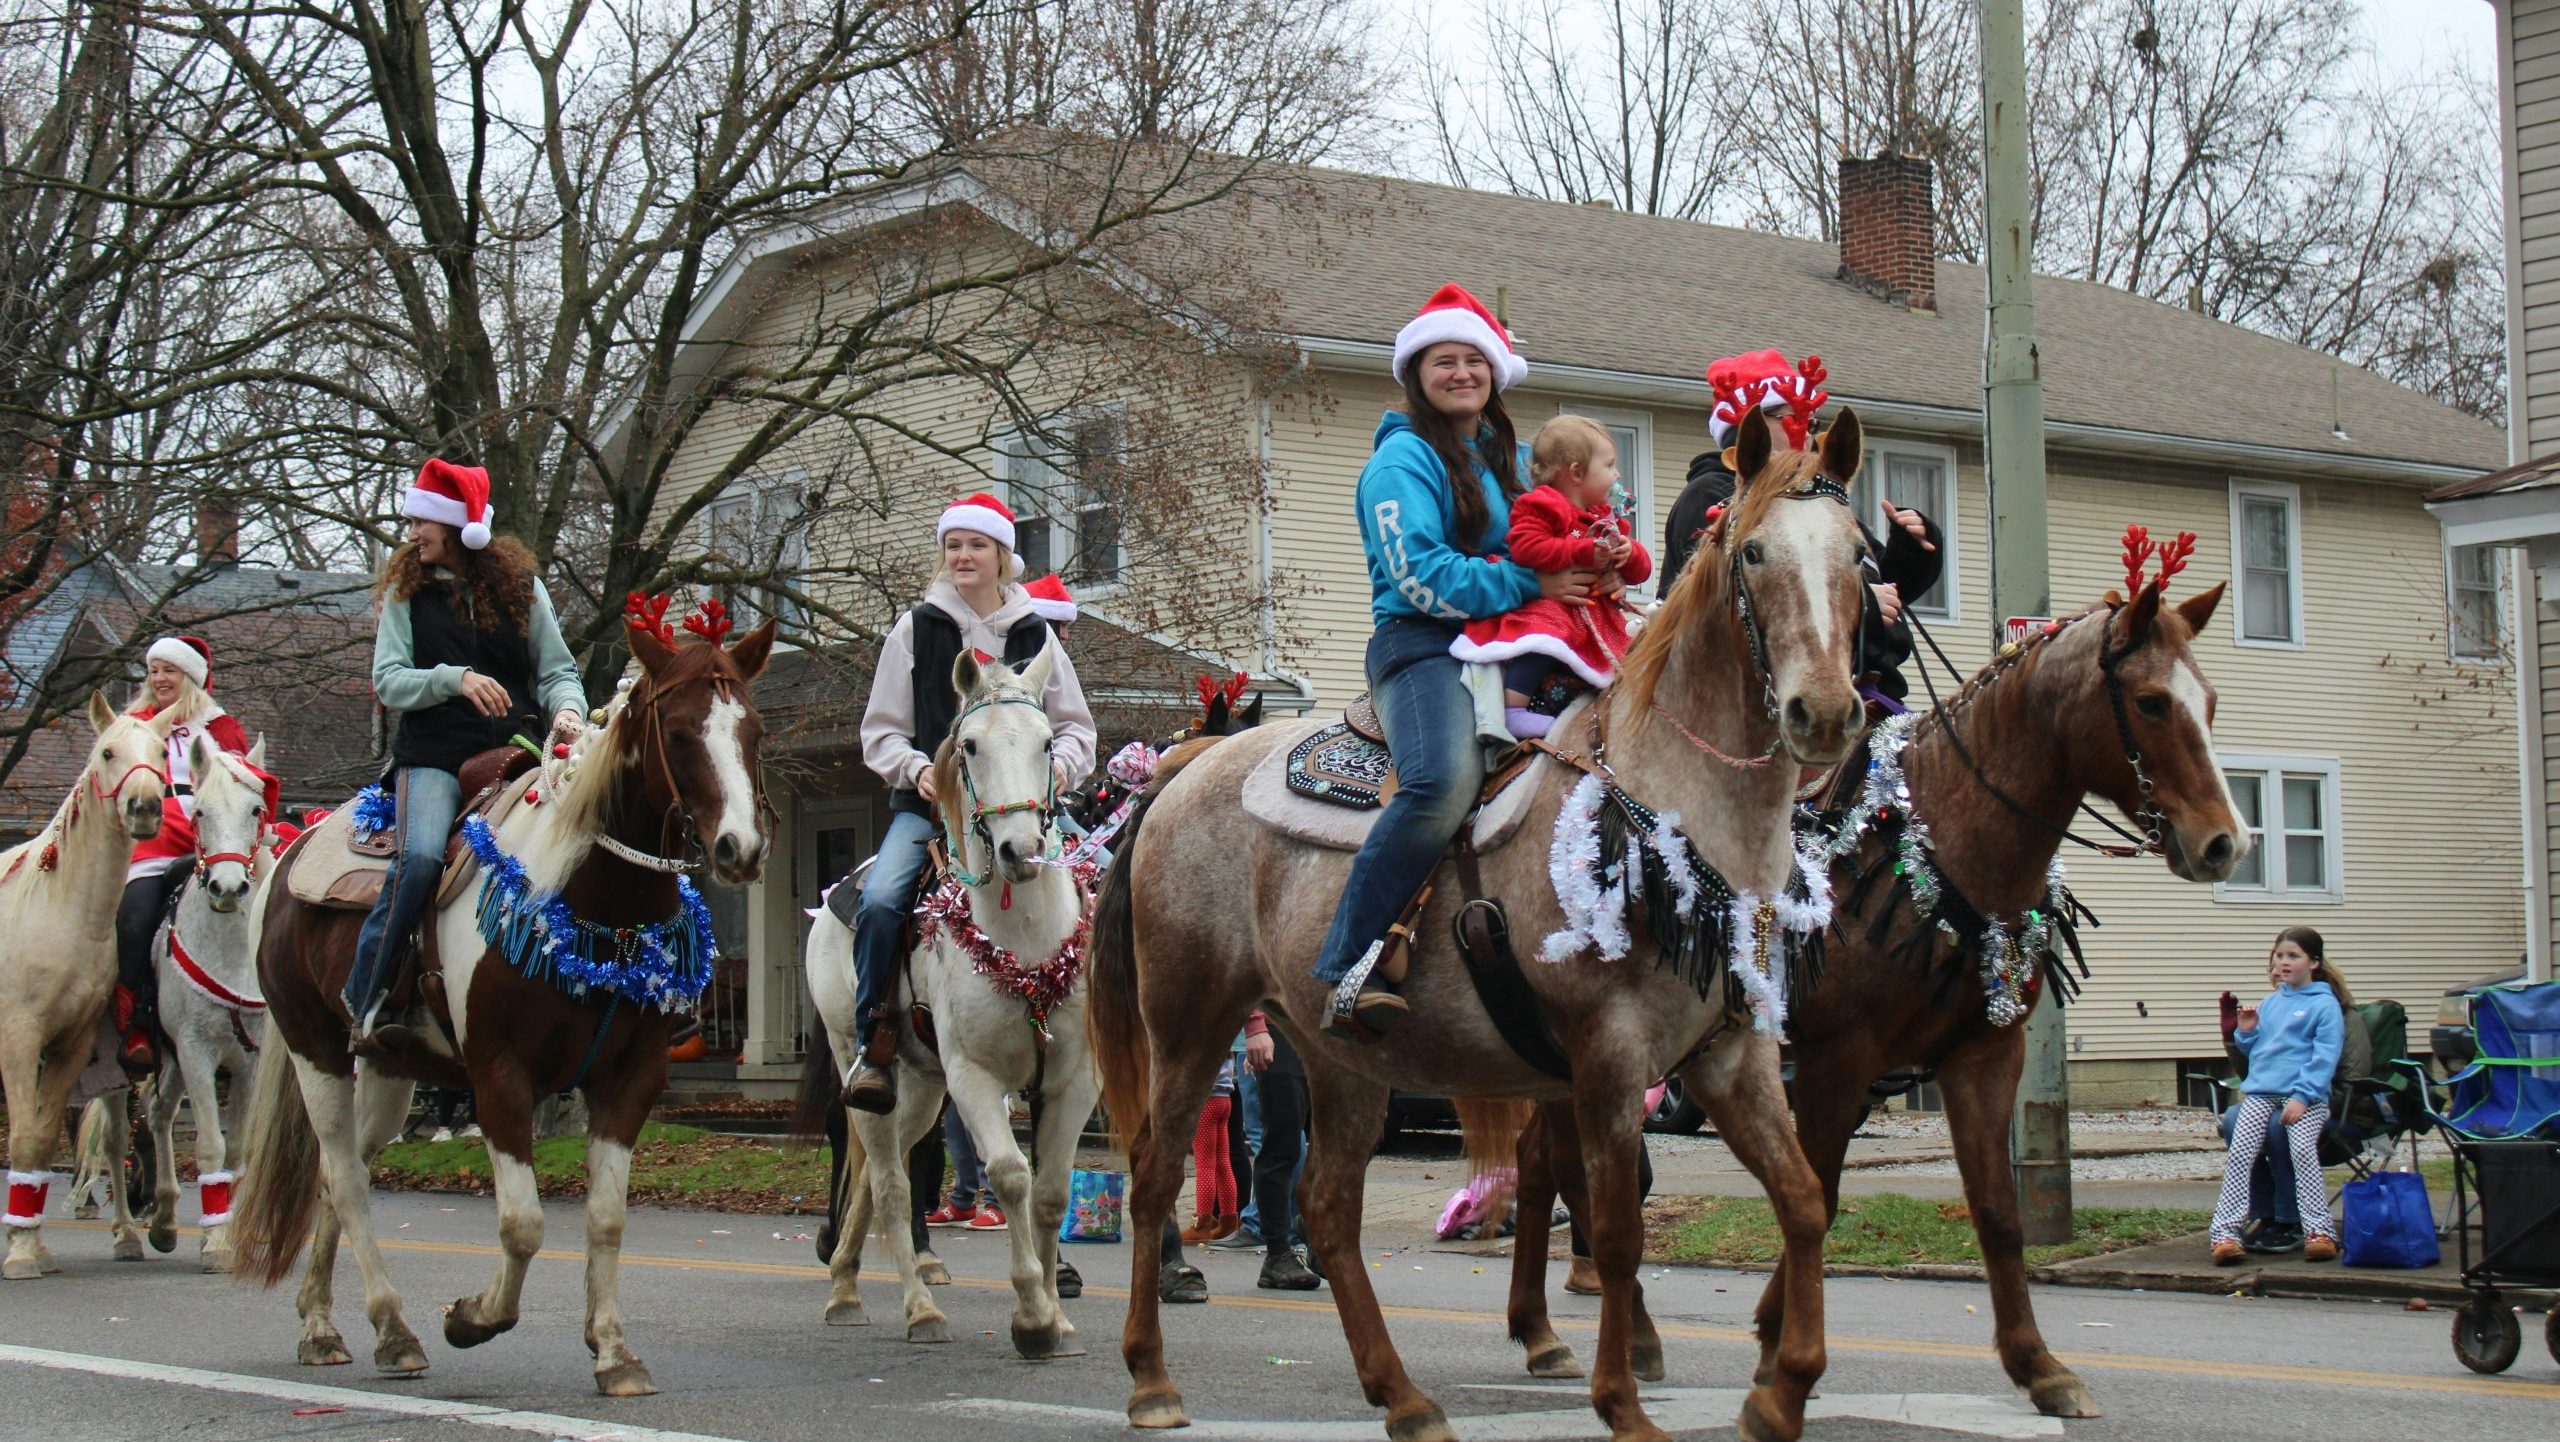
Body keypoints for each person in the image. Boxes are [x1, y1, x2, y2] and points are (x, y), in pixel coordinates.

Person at [1315, 284, 1600, 1035]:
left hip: (1513, 641)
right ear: (1417, 372)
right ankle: (1352, 960)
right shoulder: (1400, 461)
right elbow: (1420, 575)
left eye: (1475, 359)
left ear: (1496, 373)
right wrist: (1530, 580)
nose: (1461, 372)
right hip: (1423, 645)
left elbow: (1543, 540)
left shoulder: (1503, 459)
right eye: (1445, 360)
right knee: (1442, 782)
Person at [842, 494, 1097, 1113]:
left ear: (1002, 556)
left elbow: (1076, 729)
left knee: (1114, 883)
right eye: (953, 546)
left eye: (976, 545)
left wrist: (1060, 769)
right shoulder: (916, 628)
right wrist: (917, 768)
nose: (962, 556)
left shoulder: (1037, 632)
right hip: (930, 812)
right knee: (879, 902)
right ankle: (874, 1040)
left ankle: (1114, 1027)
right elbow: (880, 730)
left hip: (1029, 810)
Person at [348, 458, 587, 1050]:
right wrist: (453, 679)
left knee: (574, 847)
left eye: (421, 522)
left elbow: (558, 671)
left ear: (456, 528)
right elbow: (389, 680)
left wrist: (567, 712)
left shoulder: (523, 592)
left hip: (514, 753)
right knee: (424, 858)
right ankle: (367, 1000)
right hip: (431, 757)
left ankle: (595, 993)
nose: (411, 533)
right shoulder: (407, 595)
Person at [1657, 349, 1941, 709]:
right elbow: (1728, 595)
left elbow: (1890, 588)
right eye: (1794, 417)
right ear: (1752, 427)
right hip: (1756, 704)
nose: (1808, 430)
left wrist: (1912, 548)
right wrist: (1861, 601)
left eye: (1812, 422)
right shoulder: (1710, 495)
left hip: (1868, 692)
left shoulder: (1816, 499)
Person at [1450, 416, 1652, 739]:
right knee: (1544, 634)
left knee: (1629, 651)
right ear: (1575, 472)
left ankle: (1608, 711)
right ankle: (1514, 707)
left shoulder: (1604, 515)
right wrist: (1579, 552)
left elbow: (1641, 571)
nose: (1616, 475)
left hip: (1592, 611)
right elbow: (1526, 547)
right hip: (1553, 603)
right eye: (1610, 465)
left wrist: (1629, 554)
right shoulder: (1542, 505)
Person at [114, 635, 253, 1074]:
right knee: (135, 918)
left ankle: (261, 1010)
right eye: (153, 670)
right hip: (151, 834)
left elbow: (244, 785)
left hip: (210, 837)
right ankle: (135, 1019)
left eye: (168, 671)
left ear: (190, 677)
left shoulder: (220, 726)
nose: (158, 679)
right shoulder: (134, 722)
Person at [2218, 942, 2369, 1253]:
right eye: (2279, 956)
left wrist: (2305, 1096)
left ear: (2314, 963)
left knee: (2297, 1145)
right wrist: (2240, 1034)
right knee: (2239, 1146)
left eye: (2293, 956)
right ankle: (2228, 1231)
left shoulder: (2330, 1007)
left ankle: (2311, 1227)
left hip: (2313, 1097)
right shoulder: (2271, 1004)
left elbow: (2331, 1062)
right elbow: (2259, 1058)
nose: (2283, 963)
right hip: (2264, 1092)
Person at [1241, 1014, 1319, 1290]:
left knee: (1339, 1142)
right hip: (1279, 1026)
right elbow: (1248, 970)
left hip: (1327, 1026)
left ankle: (1314, 1228)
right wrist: (1255, 1026)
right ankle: (1277, 1255)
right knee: (1283, 1141)